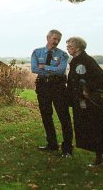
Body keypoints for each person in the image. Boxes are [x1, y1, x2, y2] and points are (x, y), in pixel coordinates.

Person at [66, 36, 103, 175]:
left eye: (70, 46)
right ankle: (99, 159)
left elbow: (102, 78)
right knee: (91, 130)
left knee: (102, 130)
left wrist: (88, 89)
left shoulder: (87, 60)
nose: (67, 48)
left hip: (93, 103)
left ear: (78, 47)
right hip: (82, 103)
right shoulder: (75, 61)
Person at [31, 29, 73, 157]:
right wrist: (51, 70)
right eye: (54, 39)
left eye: (58, 40)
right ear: (48, 38)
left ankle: (67, 149)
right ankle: (52, 144)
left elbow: (61, 71)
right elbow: (34, 68)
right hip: (43, 86)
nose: (56, 42)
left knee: (64, 116)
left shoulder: (63, 55)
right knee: (46, 115)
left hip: (58, 86)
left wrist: (45, 67)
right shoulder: (37, 52)